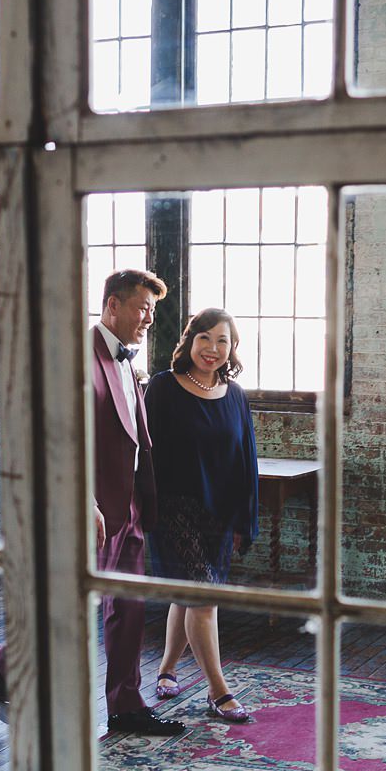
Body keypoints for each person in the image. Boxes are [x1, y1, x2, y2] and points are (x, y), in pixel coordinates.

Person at [0, 269, 184, 736]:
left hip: (130, 504)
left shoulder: (126, 359)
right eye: (143, 308)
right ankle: (2, 661)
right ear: (112, 305)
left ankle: (126, 706)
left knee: (128, 607)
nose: (149, 318)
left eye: (153, 310)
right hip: (91, 509)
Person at [144, 308, 259, 723]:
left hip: (219, 512)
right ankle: (218, 691)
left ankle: (166, 669)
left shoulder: (235, 395)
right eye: (205, 338)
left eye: (222, 341)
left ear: (232, 348)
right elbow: (144, 452)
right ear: (189, 342)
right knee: (203, 597)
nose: (213, 348)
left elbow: (246, 459)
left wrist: (244, 520)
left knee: (189, 595)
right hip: (174, 511)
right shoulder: (162, 387)